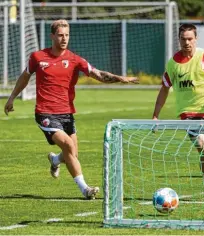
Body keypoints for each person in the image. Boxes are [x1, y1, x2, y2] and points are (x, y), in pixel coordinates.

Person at [4, 19, 139, 200]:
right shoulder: (37, 57)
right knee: (68, 145)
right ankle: (85, 189)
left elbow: (97, 74)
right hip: (45, 112)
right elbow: (24, 76)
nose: (64, 39)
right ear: (52, 36)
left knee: (73, 152)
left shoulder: (75, 59)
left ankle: (55, 160)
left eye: (67, 35)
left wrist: (119, 78)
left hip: (67, 113)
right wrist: (12, 97)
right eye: (60, 35)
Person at [152, 23, 204, 203]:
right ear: (178, 40)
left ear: (196, 39)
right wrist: (156, 115)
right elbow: (164, 89)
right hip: (189, 116)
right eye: (183, 39)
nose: (187, 42)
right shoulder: (173, 63)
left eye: (190, 39)